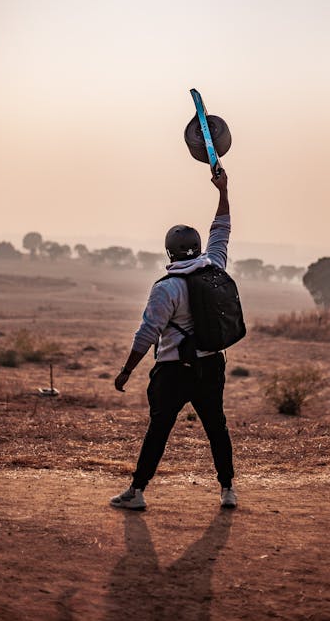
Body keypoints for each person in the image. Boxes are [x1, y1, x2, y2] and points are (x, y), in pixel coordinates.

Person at [110, 169, 237, 511]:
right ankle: (227, 490)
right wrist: (223, 191)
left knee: (159, 430)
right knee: (216, 426)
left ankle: (137, 492)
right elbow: (221, 231)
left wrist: (126, 371)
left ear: (168, 252)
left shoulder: (166, 289)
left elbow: (147, 333)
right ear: (197, 248)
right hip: (212, 364)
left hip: (173, 369)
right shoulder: (215, 267)